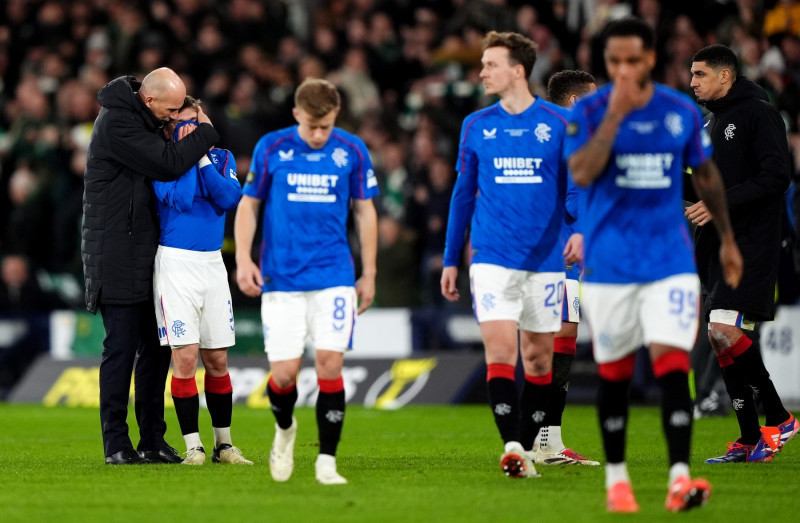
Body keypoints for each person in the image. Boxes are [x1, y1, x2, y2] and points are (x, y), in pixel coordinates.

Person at [565, 18, 743, 512]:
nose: (624, 69)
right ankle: (617, 482)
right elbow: (580, 171)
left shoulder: (679, 112)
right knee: (616, 374)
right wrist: (614, 120)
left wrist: (727, 239)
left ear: (649, 59)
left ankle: (679, 480)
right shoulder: (590, 113)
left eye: (633, 60)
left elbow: (705, 175)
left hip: (668, 260)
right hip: (609, 265)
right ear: (607, 63)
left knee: (670, 364)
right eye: (614, 61)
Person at [440, 30, 572, 479]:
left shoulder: (558, 123)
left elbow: (576, 191)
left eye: (490, 64)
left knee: (538, 359)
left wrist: (584, 232)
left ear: (517, 70)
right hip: (492, 259)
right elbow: (462, 195)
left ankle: (529, 445)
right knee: (500, 352)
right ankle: (513, 447)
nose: (481, 72)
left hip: (546, 262)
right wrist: (449, 257)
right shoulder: (476, 125)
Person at [234, 78, 378, 485]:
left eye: (326, 126)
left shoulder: (351, 149)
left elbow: (365, 211)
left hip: (334, 274)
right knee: (282, 376)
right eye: (312, 126)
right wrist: (244, 259)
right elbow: (249, 205)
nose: (318, 135)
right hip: (282, 278)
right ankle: (285, 430)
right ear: (296, 114)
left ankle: (326, 462)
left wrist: (369, 272)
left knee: (330, 366)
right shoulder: (271, 147)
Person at [82, 67, 219, 465]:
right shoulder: (117, 122)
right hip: (116, 252)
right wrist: (206, 132)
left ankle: (152, 440)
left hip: (146, 251)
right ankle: (115, 444)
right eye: (172, 110)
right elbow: (167, 163)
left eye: (181, 110)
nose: (175, 117)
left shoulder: (144, 117)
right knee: (121, 350)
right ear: (149, 100)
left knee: (157, 349)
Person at [686, 44, 799, 463]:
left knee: (724, 331)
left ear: (725, 76)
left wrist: (718, 204)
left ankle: (779, 417)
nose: (692, 82)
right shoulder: (709, 122)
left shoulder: (759, 114)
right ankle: (751, 438)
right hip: (714, 245)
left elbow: (777, 175)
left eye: (699, 74)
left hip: (750, 243)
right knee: (723, 338)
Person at [152, 96, 251, 466]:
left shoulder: (221, 158)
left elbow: (229, 198)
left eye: (196, 123)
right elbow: (178, 198)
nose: (190, 129)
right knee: (186, 357)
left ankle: (223, 445)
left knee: (217, 358)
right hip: (176, 265)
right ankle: (193, 445)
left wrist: (201, 156)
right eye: (183, 123)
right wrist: (188, 154)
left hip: (212, 265)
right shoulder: (160, 160)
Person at [531, 69, 600, 467]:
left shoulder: (543, 132)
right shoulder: (572, 137)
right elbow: (575, 203)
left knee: (559, 340)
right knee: (556, 341)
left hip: (546, 252)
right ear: (576, 101)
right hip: (559, 256)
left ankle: (548, 440)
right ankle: (542, 441)